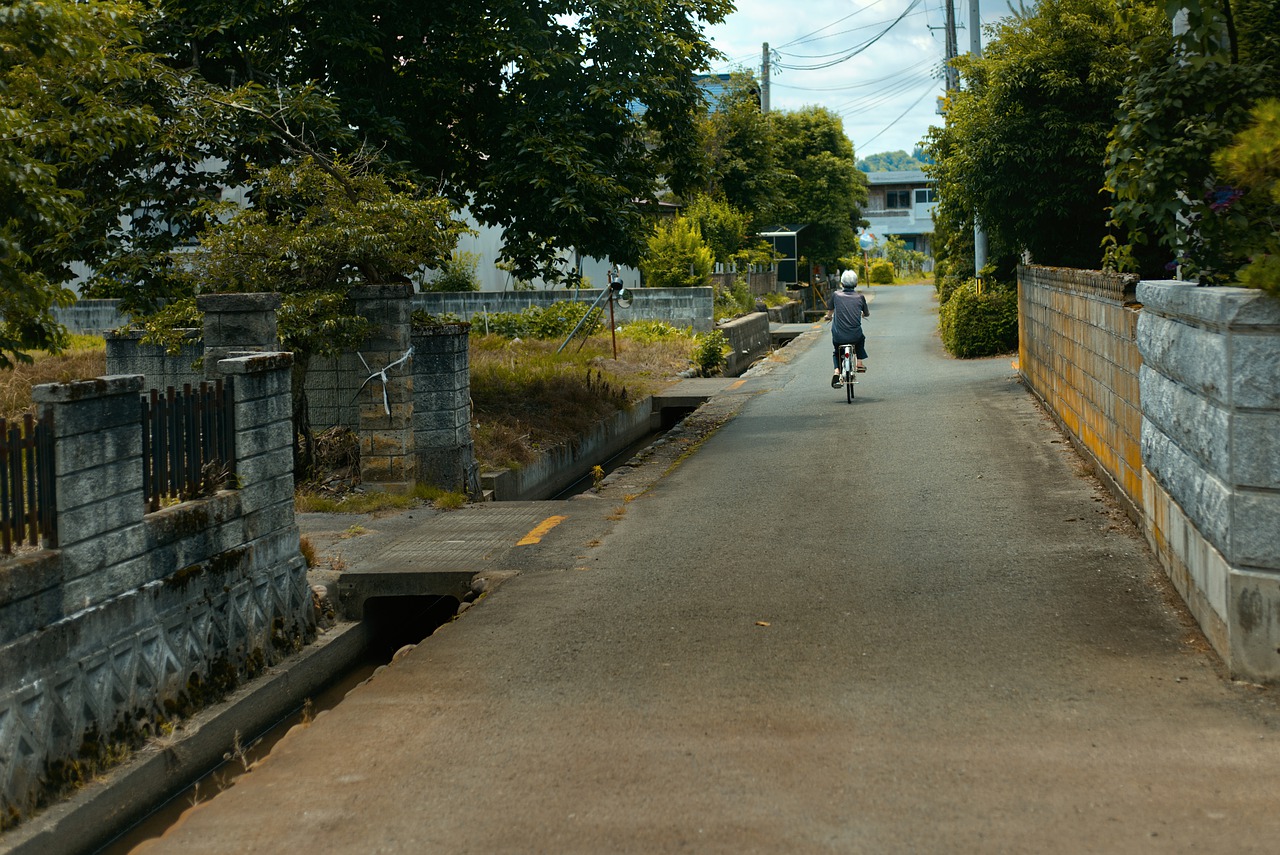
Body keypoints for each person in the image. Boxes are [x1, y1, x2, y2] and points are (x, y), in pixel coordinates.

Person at [830, 269, 869, 387]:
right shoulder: (860, 297)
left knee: (837, 350)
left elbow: (830, 311)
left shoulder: (836, 295)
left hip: (839, 337)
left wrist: (827, 317)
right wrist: (862, 314)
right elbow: (866, 313)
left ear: (842, 283)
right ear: (856, 284)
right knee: (861, 339)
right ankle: (860, 363)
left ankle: (837, 371)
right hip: (855, 336)